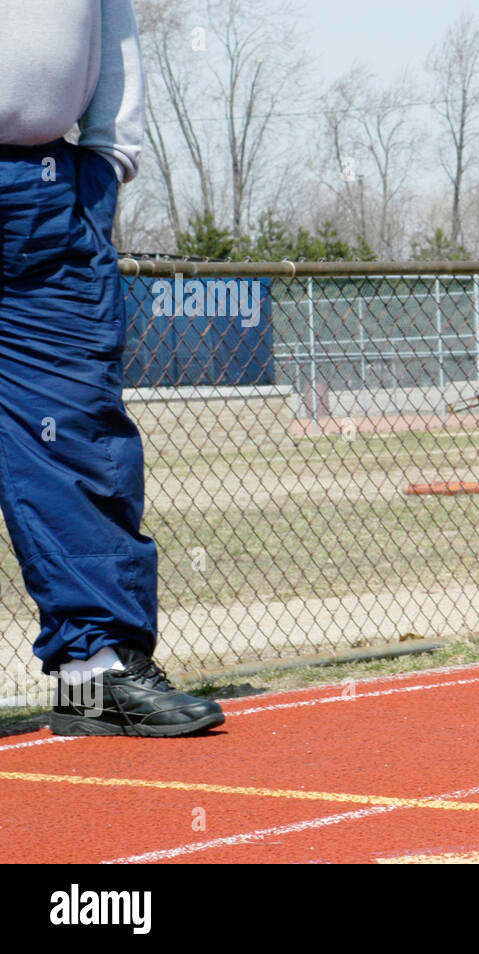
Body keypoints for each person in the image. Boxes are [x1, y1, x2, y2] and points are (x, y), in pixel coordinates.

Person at [0, 0, 223, 735]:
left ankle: (94, 675)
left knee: (74, 432)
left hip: (46, 190)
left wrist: (106, 159)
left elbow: (111, 20)